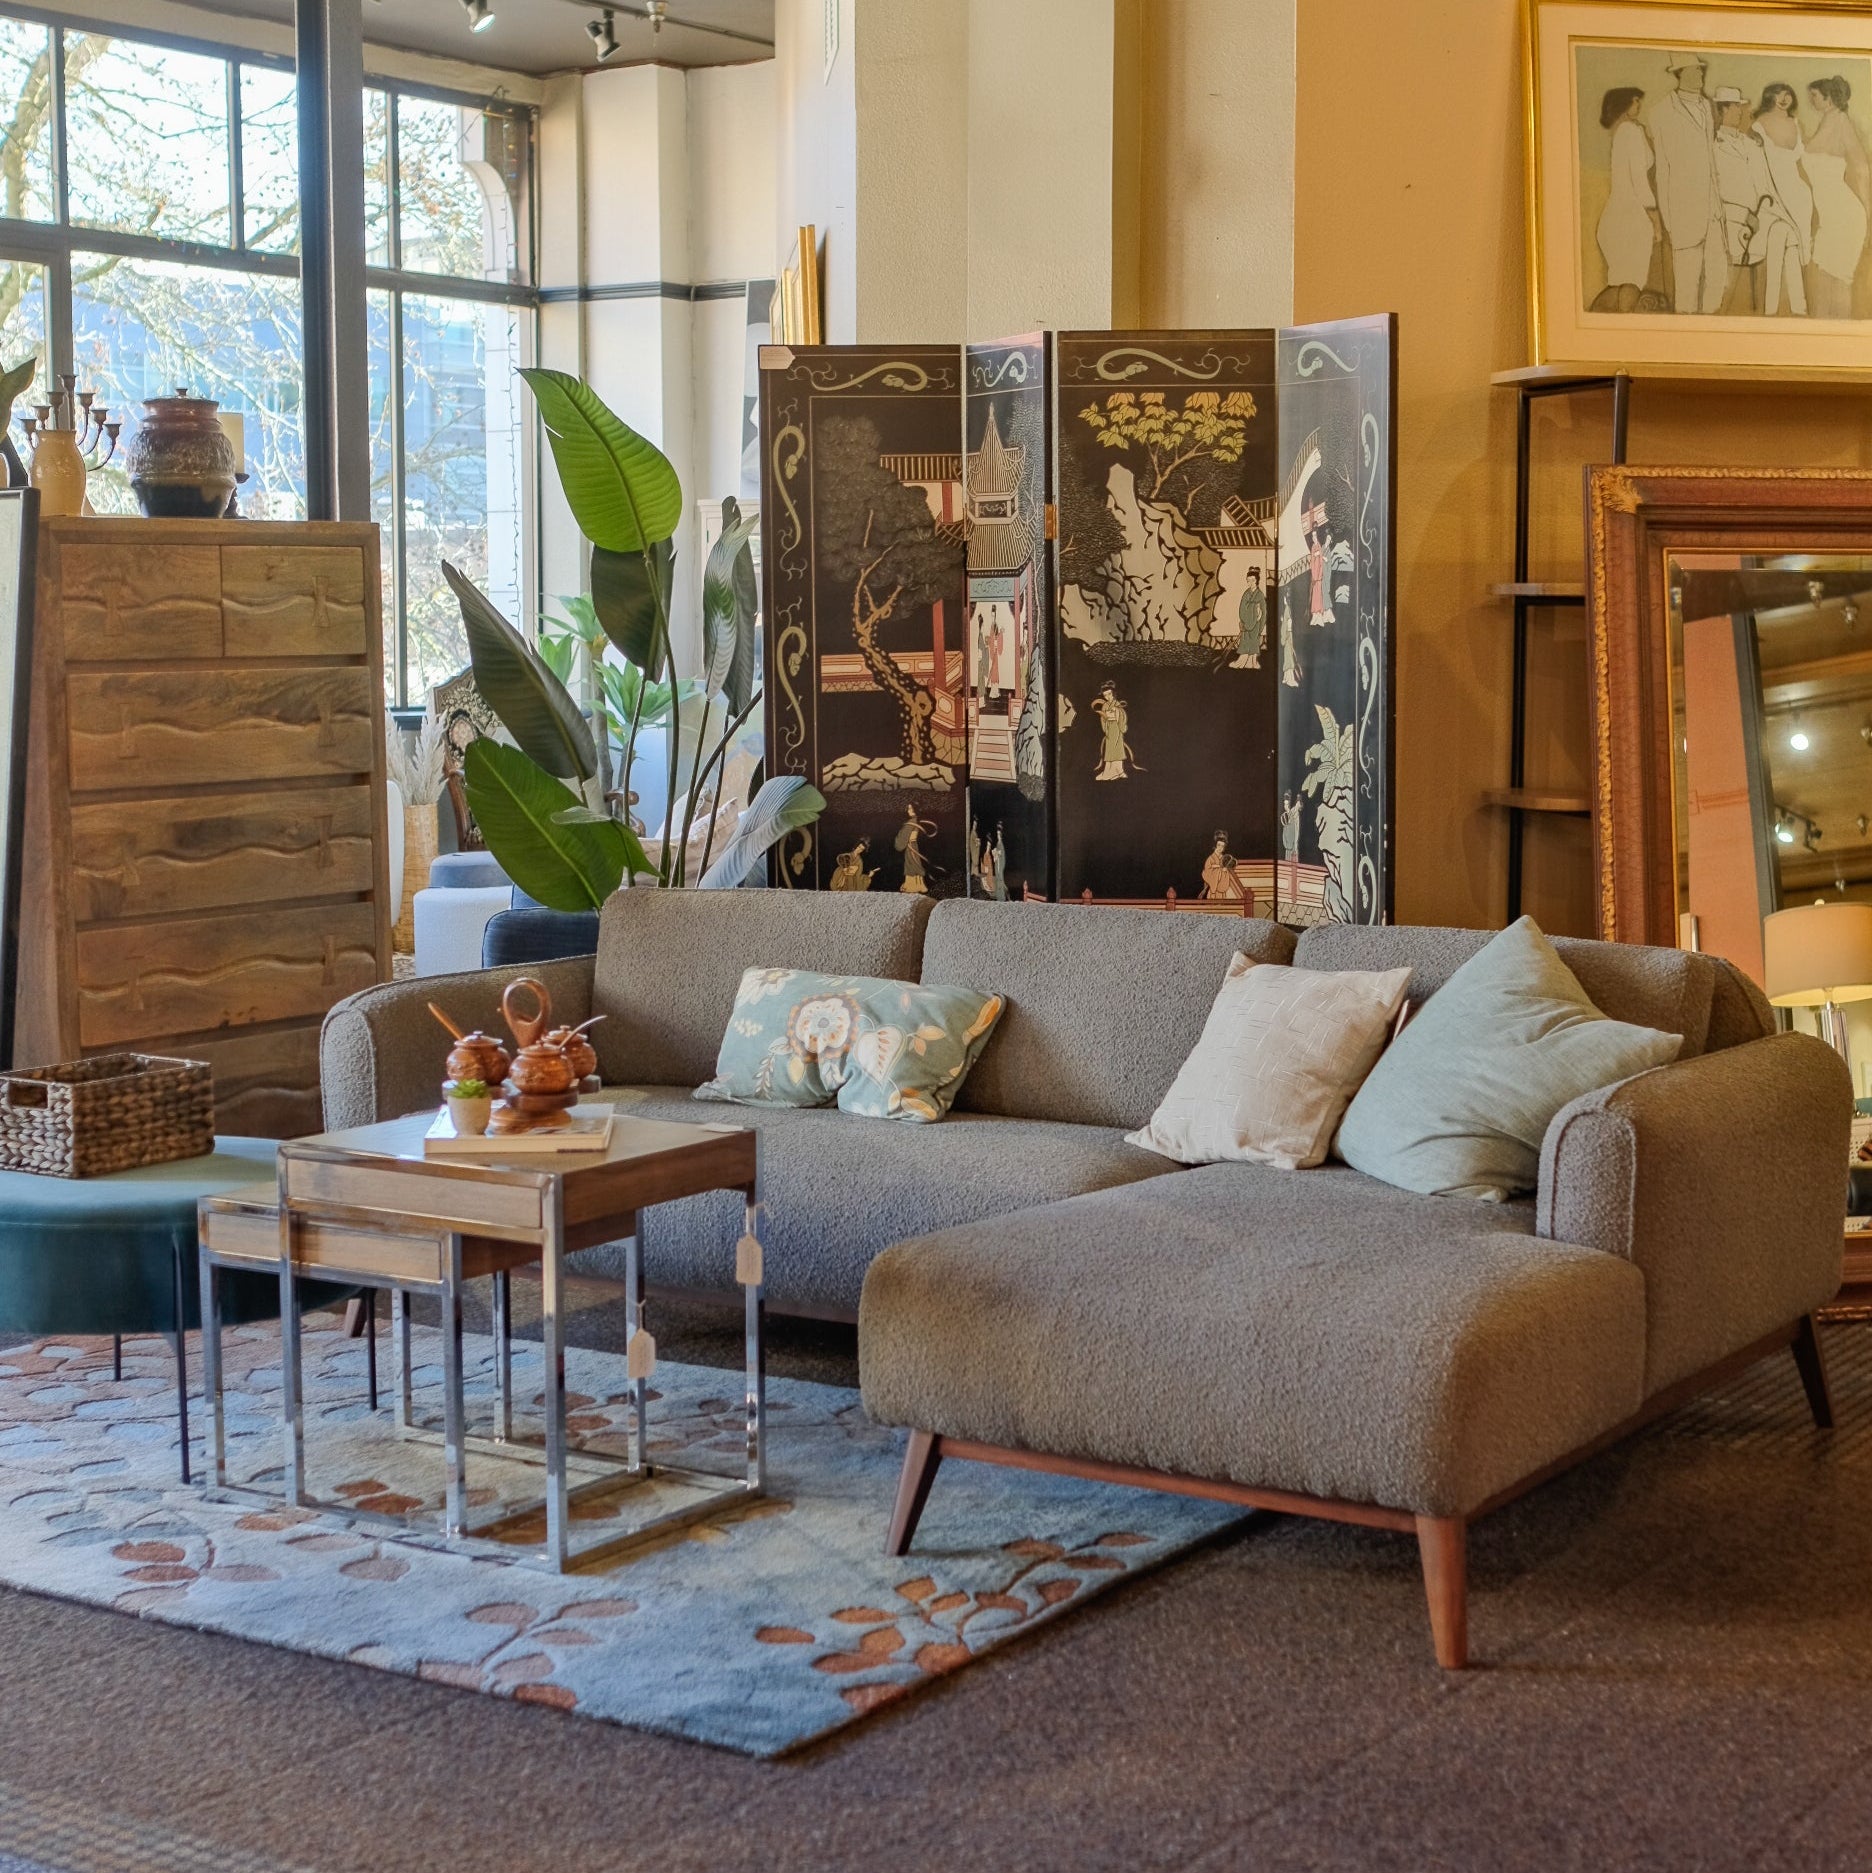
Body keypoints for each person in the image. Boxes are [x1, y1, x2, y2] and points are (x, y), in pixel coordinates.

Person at [1652, 50, 1728, 314]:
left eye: (1701, 70)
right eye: (1695, 70)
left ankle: (1710, 336)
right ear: (1679, 74)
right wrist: (1669, 219)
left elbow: (1709, 158)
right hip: (1684, 212)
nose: (1700, 74)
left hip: (1713, 211)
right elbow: (1663, 169)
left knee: (1718, 276)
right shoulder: (1662, 112)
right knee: (1687, 284)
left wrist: (1718, 203)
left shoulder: (1706, 106)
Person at [1713, 85, 1793, 314]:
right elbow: (1717, 196)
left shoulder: (1751, 144)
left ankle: (1778, 310)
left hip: (1761, 217)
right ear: (1722, 111)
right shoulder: (1713, 149)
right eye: (1735, 107)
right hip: (1732, 223)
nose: (1740, 111)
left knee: (1786, 233)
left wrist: (1774, 214)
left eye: (1740, 107)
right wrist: (1745, 216)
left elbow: (1766, 187)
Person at [1805, 75, 1869, 319]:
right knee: (1823, 283)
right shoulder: (1826, 121)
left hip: (1846, 216)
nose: (1810, 100)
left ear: (1829, 98)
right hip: (1830, 218)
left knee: (1840, 283)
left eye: (1814, 95)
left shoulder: (1841, 121)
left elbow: (1862, 169)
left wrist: (1869, 214)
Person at [1597, 86, 1661, 312]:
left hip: (1617, 219)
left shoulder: (1626, 131)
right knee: (1631, 286)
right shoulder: (1630, 132)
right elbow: (1639, 181)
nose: (1639, 105)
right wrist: (1654, 219)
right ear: (1624, 104)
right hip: (1631, 221)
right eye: (1635, 101)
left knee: (1622, 283)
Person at [1753, 82, 1814, 315]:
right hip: (1773, 194)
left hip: (1798, 194)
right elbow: (1757, 165)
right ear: (1769, 97)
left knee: (1795, 250)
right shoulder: (1759, 124)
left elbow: (1803, 162)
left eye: (1787, 94)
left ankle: (1799, 307)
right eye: (1778, 94)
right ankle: (1770, 310)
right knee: (1775, 250)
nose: (1783, 98)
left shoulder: (1796, 123)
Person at [1090, 680, 1137, 780]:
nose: (1108, 697)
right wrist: (1104, 717)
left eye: (1109, 694)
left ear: (1113, 693)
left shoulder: (1117, 705)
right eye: (1105, 695)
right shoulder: (1105, 705)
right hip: (1109, 729)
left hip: (1116, 728)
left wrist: (1116, 713)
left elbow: (1122, 715)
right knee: (1109, 749)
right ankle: (1109, 771)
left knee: (1117, 749)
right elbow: (1103, 717)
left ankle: (1118, 771)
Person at [894, 806, 939, 894]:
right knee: (914, 863)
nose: (908, 810)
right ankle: (917, 885)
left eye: (910, 808)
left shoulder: (911, 823)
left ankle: (912, 886)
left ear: (915, 809)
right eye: (908, 808)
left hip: (911, 846)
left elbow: (901, 841)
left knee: (912, 864)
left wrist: (899, 842)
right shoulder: (915, 821)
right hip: (913, 846)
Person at [1200, 831, 1246, 902]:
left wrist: (1224, 871)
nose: (1220, 848)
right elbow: (1207, 871)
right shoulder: (1210, 858)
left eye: (1222, 846)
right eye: (1218, 845)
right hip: (1213, 890)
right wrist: (1219, 868)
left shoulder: (1224, 858)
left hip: (1221, 887)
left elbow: (1226, 870)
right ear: (1215, 845)